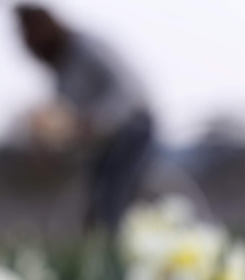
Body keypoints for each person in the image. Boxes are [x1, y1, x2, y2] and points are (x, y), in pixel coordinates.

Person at [14, 4, 154, 231]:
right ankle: (102, 249)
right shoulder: (60, 66)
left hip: (132, 125)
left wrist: (96, 121)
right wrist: (50, 142)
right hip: (102, 139)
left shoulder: (85, 48)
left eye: (29, 33)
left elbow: (127, 92)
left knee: (113, 196)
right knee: (95, 203)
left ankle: (119, 247)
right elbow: (68, 118)